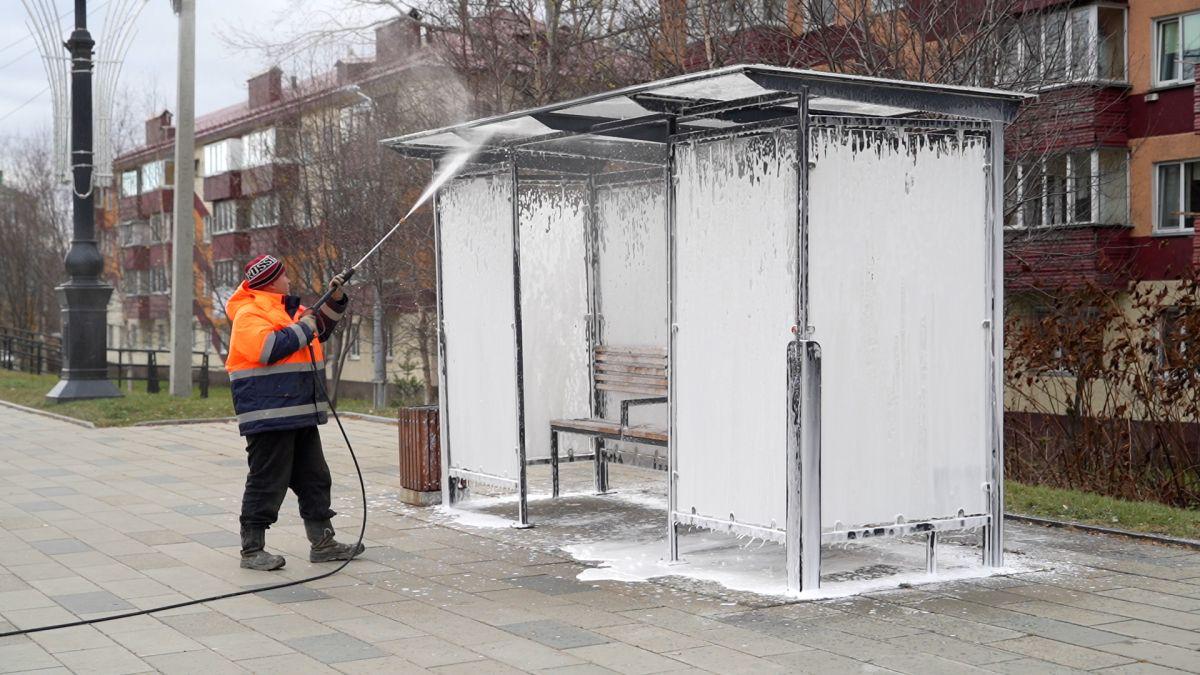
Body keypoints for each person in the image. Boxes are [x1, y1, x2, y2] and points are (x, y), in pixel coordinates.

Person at [225, 254, 365, 570]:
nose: (289, 280)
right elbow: (269, 348)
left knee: (315, 477)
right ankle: (252, 550)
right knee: (267, 480)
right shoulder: (249, 314)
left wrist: (336, 297)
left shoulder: (290, 311)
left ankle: (323, 542)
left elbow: (319, 328)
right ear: (272, 280)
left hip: (298, 410)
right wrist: (305, 326)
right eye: (284, 275)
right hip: (268, 414)